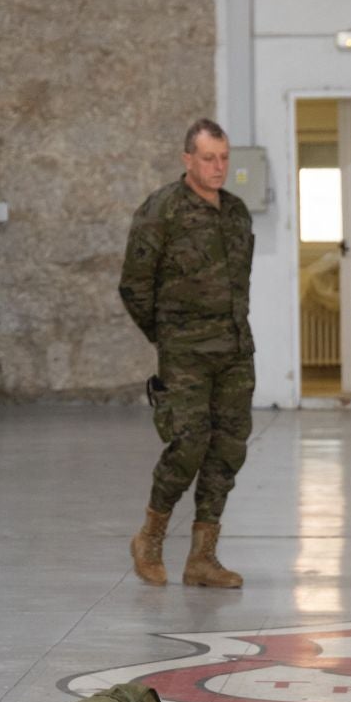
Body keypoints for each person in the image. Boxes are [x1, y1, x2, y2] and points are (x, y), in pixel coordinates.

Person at [118, 119, 254, 589]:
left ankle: (202, 558)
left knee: (228, 449)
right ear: (187, 160)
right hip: (186, 353)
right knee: (188, 445)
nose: (218, 167)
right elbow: (134, 285)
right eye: (208, 158)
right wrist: (168, 337)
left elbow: (239, 284)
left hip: (235, 351)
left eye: (224, 158)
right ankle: (150, 537)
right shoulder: (162, 210)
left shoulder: (236, 212)